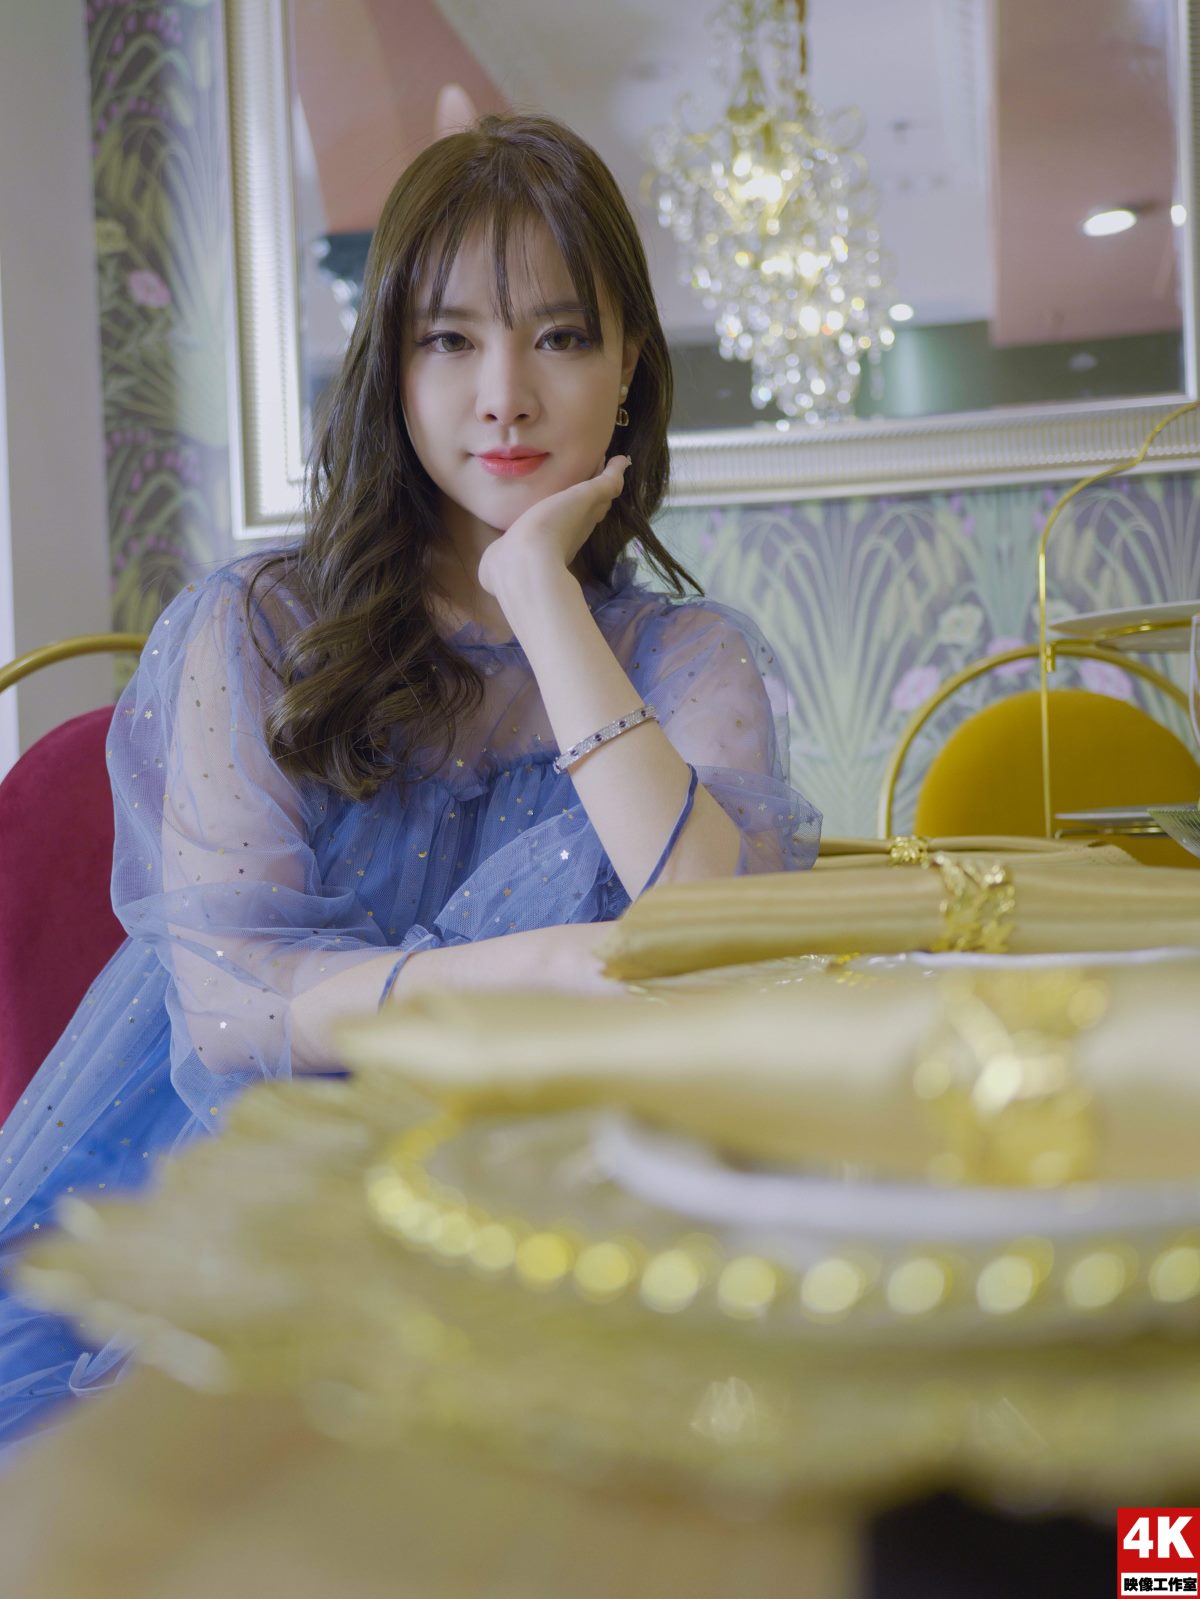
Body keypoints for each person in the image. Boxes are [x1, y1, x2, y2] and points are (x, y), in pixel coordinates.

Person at [0, 113, 820, 1449]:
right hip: (258, 1202)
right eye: (450, 339)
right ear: (390, 362)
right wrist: (523, 972)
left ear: (629, 364)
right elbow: (229, 1006)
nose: (504, 393)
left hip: (563, 1214)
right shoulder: (255, 629)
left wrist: (540, 594)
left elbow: (717, 934)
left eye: (560, 335)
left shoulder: (688, 659)